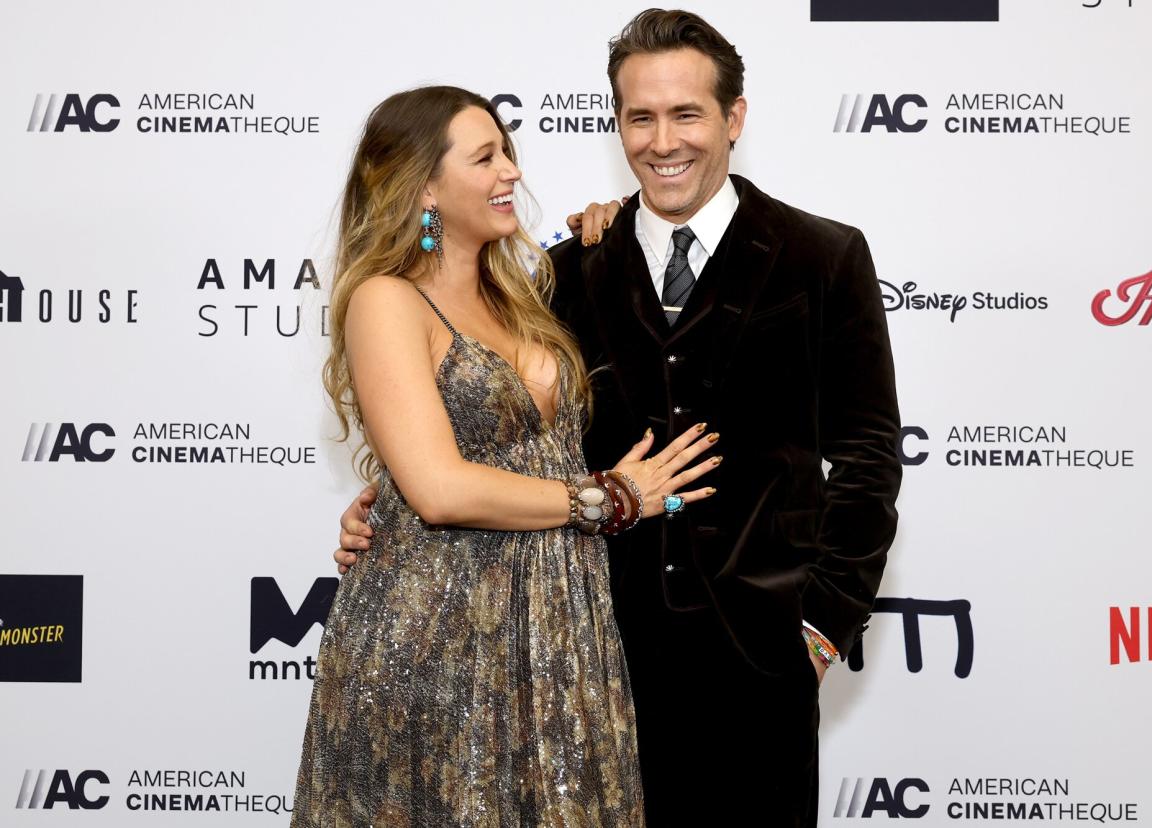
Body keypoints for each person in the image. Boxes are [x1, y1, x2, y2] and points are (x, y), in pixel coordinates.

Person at [335, 10, 902, 826]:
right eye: (640, 117)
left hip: (759, 671)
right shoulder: (561, 273)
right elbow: (478, 430)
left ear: (733, 119)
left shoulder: (824, 256)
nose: (662, 140)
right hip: (582, 666)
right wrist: (384, 507)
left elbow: (869, 460)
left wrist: (817, 632)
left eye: (686, 114)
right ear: (617, 124)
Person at [291, 84, 721, 827]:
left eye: (509, 153)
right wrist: (612, 497)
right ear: (422, 183)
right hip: (439, 637)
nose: (511, 173)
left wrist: (619, 225)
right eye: (485, 157)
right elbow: (438, 490)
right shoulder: (386, 300)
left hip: (560, 627)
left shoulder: (527, 288)